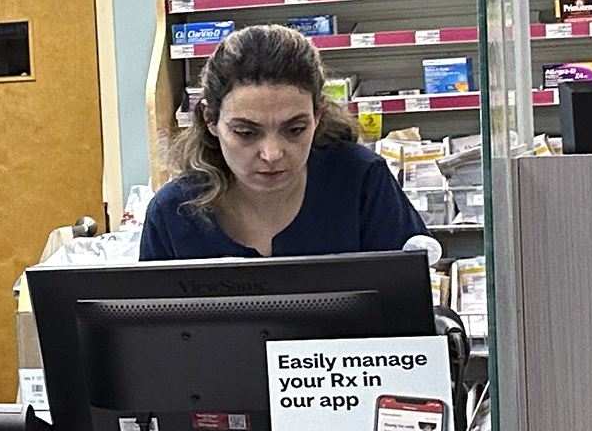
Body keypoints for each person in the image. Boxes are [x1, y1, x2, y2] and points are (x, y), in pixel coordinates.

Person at [141, 23, 427, 260]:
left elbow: (410, 308)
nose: (272, 153)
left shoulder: (361, 182)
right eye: (246, 133)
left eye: (295, 129)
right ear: (210, 120)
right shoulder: (173, 213)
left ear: (317, 114)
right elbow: (148, 326)